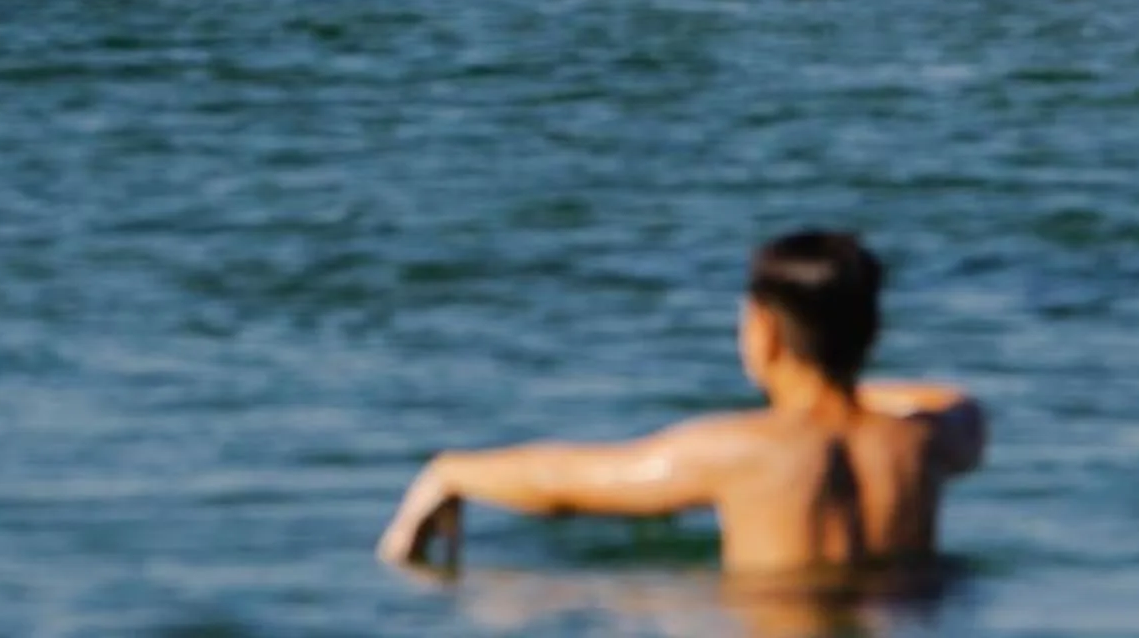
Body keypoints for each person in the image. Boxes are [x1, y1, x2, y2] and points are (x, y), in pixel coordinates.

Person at [377, 232, 985, 576]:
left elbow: (566, 481)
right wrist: (846, 392)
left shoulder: (738, 449)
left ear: (763, 333)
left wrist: (450, 472)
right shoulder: (926, 440)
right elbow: (958, 403)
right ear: (873, 334)